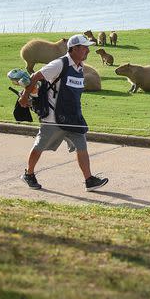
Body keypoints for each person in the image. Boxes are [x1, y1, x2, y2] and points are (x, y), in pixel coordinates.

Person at [18, 34, 109, 191]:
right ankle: (29, 174)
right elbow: (35, 76)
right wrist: (25, 97)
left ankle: (89, 180)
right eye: (84, 47)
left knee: (81, 144)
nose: (88, 50)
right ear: (74, 49)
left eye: (88, 47)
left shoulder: (79, 67)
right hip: (54, 117)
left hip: (73, 116)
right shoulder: (59, 64)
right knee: (40, 146)